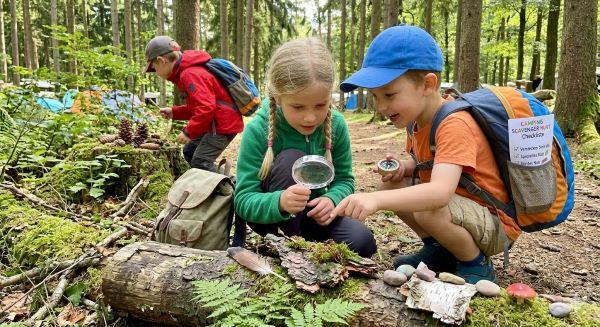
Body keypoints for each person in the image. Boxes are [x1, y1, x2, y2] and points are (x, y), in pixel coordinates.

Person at [330, 25, 521, 283]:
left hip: (496, 223)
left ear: (428, 84)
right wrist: (406, 166)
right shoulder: (417, 120)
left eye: (389, 94)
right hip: (462, 212)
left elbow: (439, 192)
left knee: (428, 207)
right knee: (392, 185)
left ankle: (475, 264)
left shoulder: (454, 124)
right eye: (375, 96)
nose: (381, 106)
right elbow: (429, 162)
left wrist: (374, 200)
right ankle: (440, 250)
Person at [234, 38, 377, 258]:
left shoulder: (336, 124)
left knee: (363, 242)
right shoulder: (258, 130)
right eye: (298, 107)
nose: (310, 117)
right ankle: (288, 245)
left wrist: (331, 200)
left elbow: (345, 181)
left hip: (313, 216)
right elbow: (243, 200)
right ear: (278, 98)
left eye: (321, 105)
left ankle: (304, 247)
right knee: (292, 159)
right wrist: (280, 202)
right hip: (273, 217)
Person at [144, 36, 243, 172]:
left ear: (161, 61)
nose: (156, 72)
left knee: (201, 161)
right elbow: (197, 107)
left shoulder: (189, 74)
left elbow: (206, 108)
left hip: (222, 125)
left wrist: (188, 132)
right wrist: (174, 112)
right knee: (189, 152)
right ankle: (205, 185)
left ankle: (232, 186)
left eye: (154, 68)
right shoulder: (187, 72)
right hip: (214, 123)